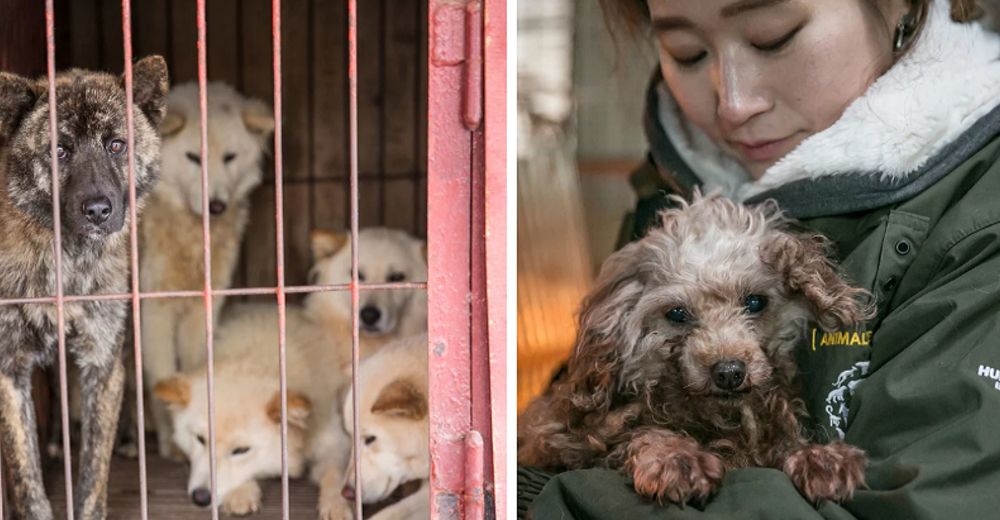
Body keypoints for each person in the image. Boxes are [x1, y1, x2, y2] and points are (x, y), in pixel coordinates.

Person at [518, 0, 1000, 518]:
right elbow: (585, 411)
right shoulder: (674, 183)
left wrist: (541, 499)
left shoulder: (978, 220)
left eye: (774, 37)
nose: (734, 104)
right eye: (688, 52)